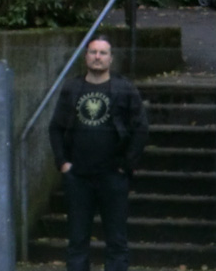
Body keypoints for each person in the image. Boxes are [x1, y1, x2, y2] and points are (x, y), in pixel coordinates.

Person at [48, 36, 148, 271]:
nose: (97, 57)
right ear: (86, 57)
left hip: (113, 176)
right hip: (78, 177)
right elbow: (56, 127)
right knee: (77, 241)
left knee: (116, 241)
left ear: (111, 59)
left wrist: (127, 164)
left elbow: (140, 128)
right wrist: (63, 163)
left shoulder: (124, 89)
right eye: (93, 52)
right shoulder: (72, 88)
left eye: (103, 53)